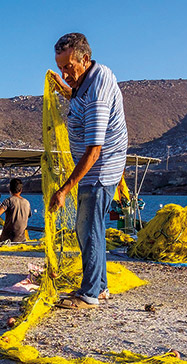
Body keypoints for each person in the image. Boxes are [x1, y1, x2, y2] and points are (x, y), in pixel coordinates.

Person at [47, 32, 128, 309]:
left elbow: (94, 150)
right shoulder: (86, 80)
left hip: (101, 169)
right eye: (61, 68)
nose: (65, 73)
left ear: (85, 59)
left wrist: (64, 190)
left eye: (69, 67)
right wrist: (64, 88)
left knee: (88, 229)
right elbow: (76, 95)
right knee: (92, 228)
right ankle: (100, 287)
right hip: (94, 168)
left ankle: (89, 294)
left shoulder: (97, 92)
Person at [0, 178, 31, 242]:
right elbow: (28, 215)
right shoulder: (27, 203)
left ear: (10, 190)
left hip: (8, 239)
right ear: (21, 190)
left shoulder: (8, 201)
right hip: (21, 239)